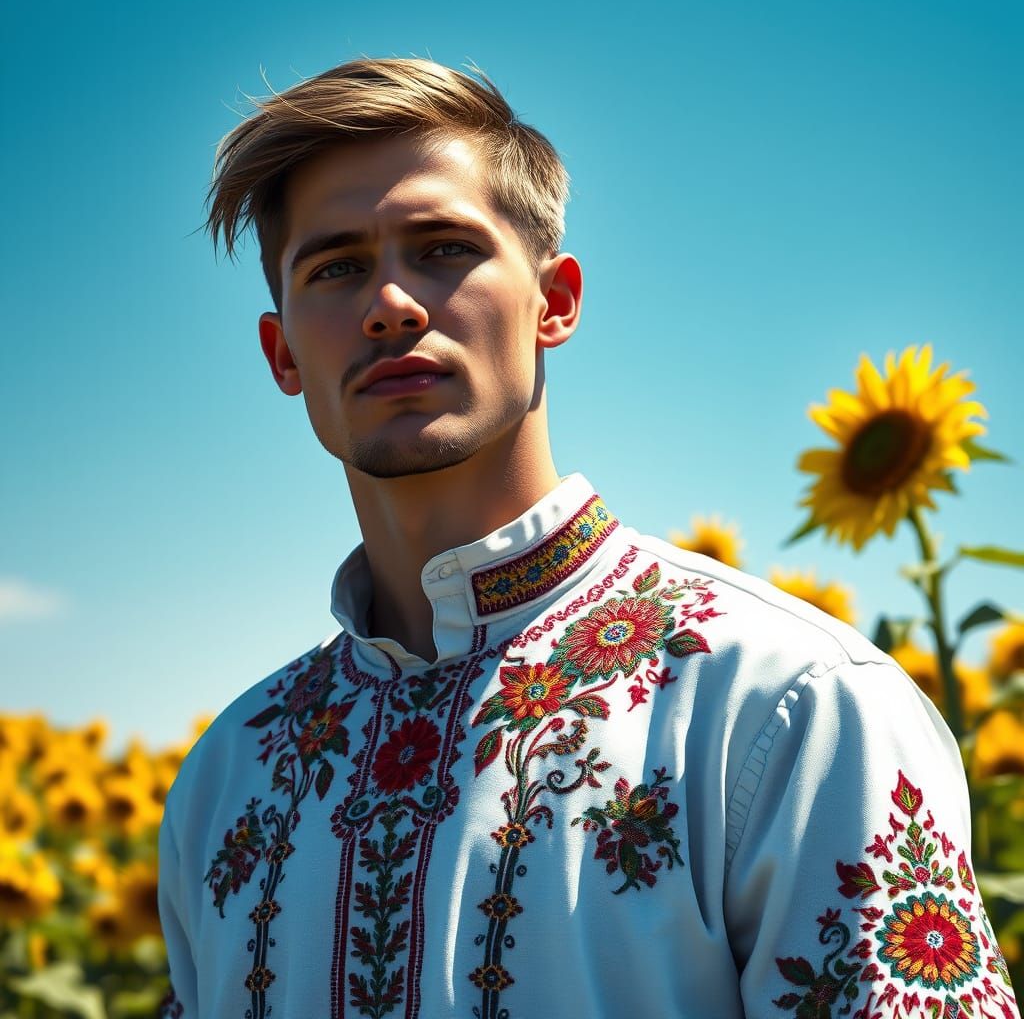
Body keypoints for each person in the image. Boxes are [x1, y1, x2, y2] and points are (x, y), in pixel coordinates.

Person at [157, 57, 1020, 1019]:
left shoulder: (789, 708)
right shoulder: (228, 777)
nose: (389, 303)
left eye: (443, 248)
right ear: (283, 354)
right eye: (337, 266)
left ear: (555, 302)